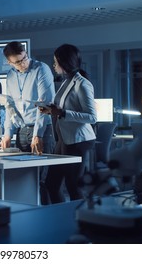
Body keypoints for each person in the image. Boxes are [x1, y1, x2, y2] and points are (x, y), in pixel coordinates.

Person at [39, 44, 97, 204]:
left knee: (73, 187)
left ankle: (79, 220)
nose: (54, 65)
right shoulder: (66, 81)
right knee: (51, 184)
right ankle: (61, 217)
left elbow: (92, 117)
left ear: (64, 63)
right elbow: (63, 107)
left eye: (55, 62)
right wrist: (51, 110)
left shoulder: (82, 84)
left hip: (78, 141)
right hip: (64, 139)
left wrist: (62, 113)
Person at [0, 41, 56, 155]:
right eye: (18, 62)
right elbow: (9, 106)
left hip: (42, 129)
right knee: (23, 171)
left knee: (42, 170)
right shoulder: (10, 76)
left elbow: (45, 104)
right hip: (21, 131)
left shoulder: (41, 69)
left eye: (24, 58)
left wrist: (37, 134)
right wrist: (7, 134)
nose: (23, 64)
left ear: (25, 52)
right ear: (9, 62)